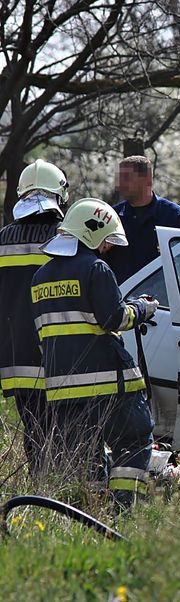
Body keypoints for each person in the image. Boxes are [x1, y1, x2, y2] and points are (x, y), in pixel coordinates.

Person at [32, 198, 158, 508]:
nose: (107, 247)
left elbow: (43, 336)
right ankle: (121, 509)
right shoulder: (95, 269)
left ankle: (90, 514)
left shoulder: (39, 279)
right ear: (90, 233)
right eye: (104, 240)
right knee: (135, 442)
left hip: (63, 392)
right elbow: (115, 319)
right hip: (109, 388)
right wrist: (142, 309)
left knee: (85, 458)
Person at [0, 159, 69, 474]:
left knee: (35, 429)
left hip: (17, 357)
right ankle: (64, 492)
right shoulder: (65, 237)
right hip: (61, 354)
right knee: (68, 431)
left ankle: (42, 487)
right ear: (59, 195)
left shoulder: (2, 239)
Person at [105, 155, 180, 284]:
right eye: (119, 178)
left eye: (127, 178)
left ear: (147, 179)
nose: (121, 184)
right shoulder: (110, 217)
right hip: (121, 301)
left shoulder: (174, 217)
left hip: (161, 303)